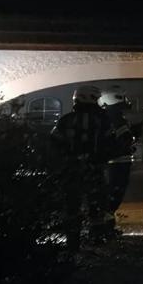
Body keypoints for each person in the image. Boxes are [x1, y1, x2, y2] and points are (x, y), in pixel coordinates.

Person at [49, 85, 112, 252]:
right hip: (94, 169)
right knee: (96, 203)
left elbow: (54, 143)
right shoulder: (101, 120)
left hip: (71, 170)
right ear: (90, 98)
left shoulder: (65, 120)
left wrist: (66, 159)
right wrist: (100, 158)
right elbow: (110, 143)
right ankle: (97, 238)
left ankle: (73, 241)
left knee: (72, 204)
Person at [94, 84, 141, 240]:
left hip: (114, 162)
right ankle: (106, 228)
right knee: (114, 194)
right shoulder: (115, 117)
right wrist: (135, 134)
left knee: (111, 194)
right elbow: (125, 139)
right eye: (123, 97)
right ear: (114, 98)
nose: (126, 100)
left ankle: (105, 227)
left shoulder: (109, 116)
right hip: (117, 163)